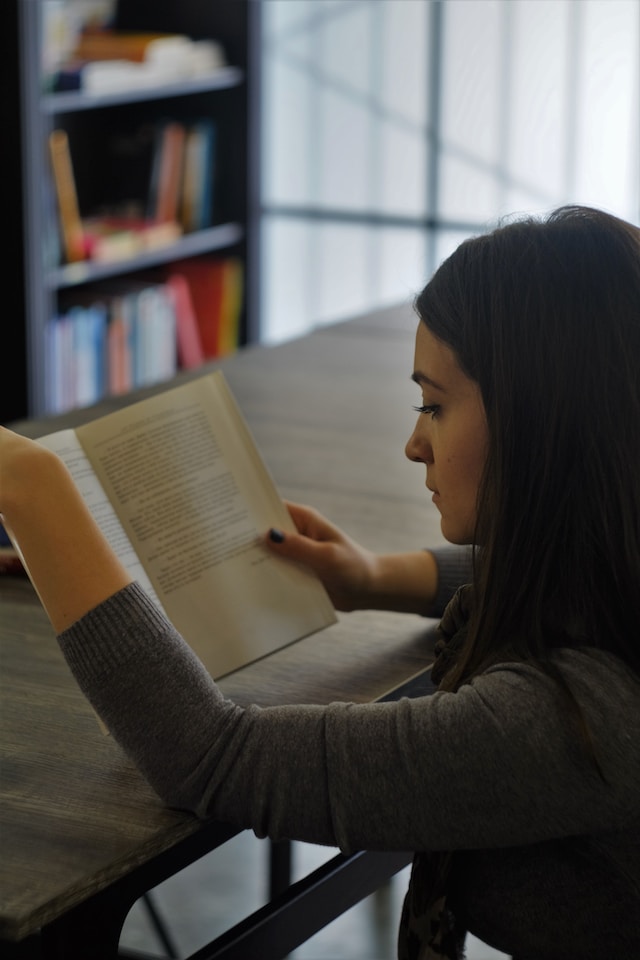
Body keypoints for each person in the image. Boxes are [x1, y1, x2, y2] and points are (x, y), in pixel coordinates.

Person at [1, 204, 639, 959]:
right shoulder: (615, 586)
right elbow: (544, 575)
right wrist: (370, 576)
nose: (412, 443)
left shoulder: (571, 723)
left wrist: (36, 491)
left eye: (434, 405)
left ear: (544, 423)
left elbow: (204, 755)